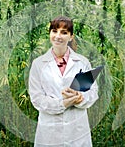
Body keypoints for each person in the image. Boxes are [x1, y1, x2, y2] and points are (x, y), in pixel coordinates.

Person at [28, 16, 99, 147]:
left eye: (64, 32)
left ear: (71, 36)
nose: (58, 36)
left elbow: (93, 92)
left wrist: (80, 98)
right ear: (50, 33)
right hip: (50, 132)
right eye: (54, 31)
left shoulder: (82, 62)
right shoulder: (38, 64)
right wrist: (63, 103)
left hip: (77, 131)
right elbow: (37, 98)